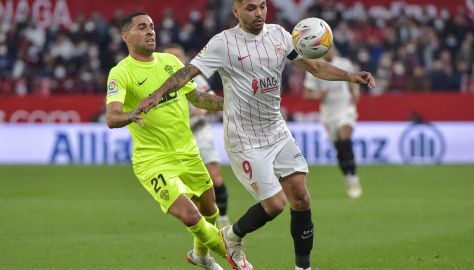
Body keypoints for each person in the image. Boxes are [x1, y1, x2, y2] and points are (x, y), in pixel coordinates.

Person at [133, 1, 375, 269]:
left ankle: (303, 267)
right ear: (236, 12)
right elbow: (186, 73)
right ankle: (231, 236)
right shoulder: (223, 44)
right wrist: (155, 96)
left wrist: (351, 76)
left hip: (276, 129)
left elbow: (316, 68)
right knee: (275, 205)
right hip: (244, 138)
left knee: (302, 198)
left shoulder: (280, 35)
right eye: (251, 8)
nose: (259, 13)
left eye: (262, 6)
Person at [105, 12, 227, 270]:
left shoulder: (170, 61)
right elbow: (112, 117)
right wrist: (131, 114)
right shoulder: (121, 72)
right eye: (142, 27)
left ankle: (200, 256)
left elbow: (199, 99)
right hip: (153, 160)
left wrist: (235, 104)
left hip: (188, 152)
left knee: (210, 210)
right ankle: (238, 260)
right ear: (126, 36)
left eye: (151, 27)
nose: (150, 32)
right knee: (190, 216)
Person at [160, 43, 231, 227]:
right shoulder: (158, 80)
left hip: (200, 132)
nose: (175, 60)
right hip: (177, 139)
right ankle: (204, 224)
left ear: (185, 58)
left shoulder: (195, 79)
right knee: (192, 188)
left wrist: (203, 111)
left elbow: (209, 99)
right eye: (170, 56)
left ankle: (222, 217)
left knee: (214, 177)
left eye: (178, 56)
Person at [303, 46, 363, 199]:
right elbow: (307, 94)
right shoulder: (315, 67)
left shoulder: (344, 63)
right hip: (329, 113)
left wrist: (355, 93)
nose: (331, 51)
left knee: (345, 137)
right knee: (339, 148)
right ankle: (347, 176)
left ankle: (354, 177)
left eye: (332, 47)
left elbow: (352, 81)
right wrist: (319, 95)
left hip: (346, 108)